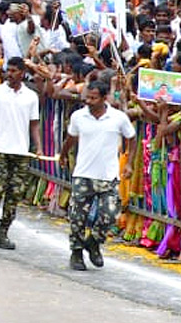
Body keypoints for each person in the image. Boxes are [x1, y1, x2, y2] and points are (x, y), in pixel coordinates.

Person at [58, 81, 137, 271]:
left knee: (109, 214)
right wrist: (63, 154)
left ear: (104, 98)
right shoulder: (78, 116)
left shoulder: (118, 118)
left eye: (93, 98)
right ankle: (76, 252)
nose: (89, 101)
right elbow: (71, 137)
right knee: (77, 216)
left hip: (108, 176)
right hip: (83, 174)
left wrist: (129, 163)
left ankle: (94, 241)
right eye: (87, 97)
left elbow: (131, 138)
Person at [0, 58, 40, 250]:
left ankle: (3, 233)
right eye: (8, 70)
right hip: (1, 148)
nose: (9, 74)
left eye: (14, 71)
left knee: (14, 194)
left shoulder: (31, 96)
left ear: (22, 73)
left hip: (20, 151)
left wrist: (38, 146)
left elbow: (34, 123)